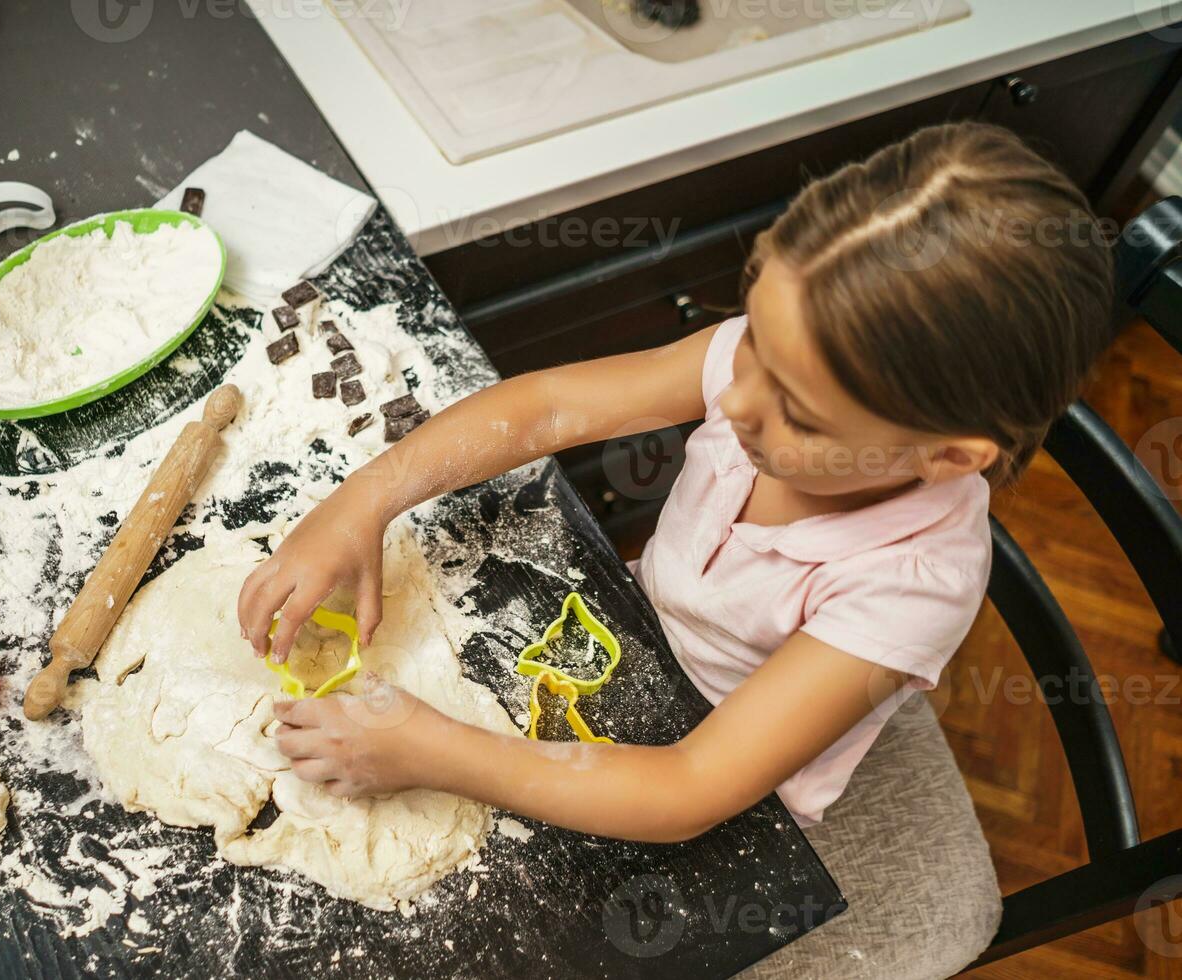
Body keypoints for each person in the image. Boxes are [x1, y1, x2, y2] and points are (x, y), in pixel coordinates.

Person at [235, 122, 1116, 840]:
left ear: (948, 457)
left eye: (800, 414)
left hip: (719, 776)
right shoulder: (789, 366)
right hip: (636, 634)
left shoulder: (909, 586)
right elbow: (547, 410)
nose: (733, 398)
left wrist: (432, 752)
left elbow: (691, 789)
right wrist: (363, 502)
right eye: (753, 339)